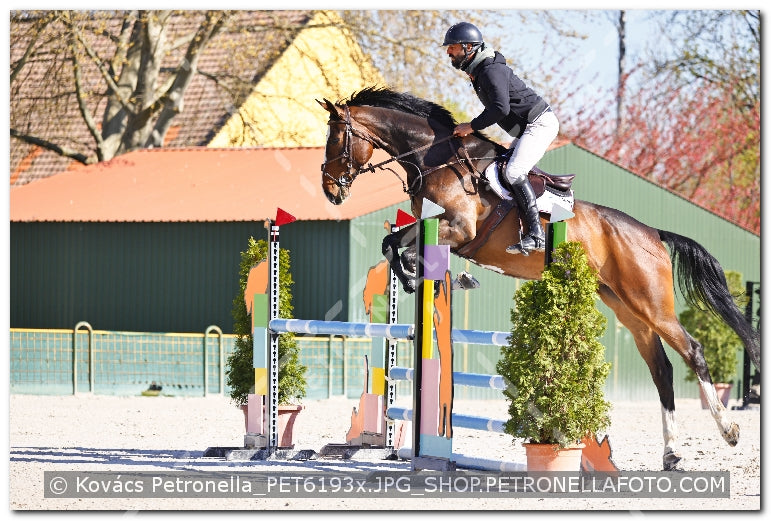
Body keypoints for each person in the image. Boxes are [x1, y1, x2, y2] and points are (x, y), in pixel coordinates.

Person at [442, 22, 559, 255]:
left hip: (540, 124)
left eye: (452, 47)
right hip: (528, 128)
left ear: (468, 47)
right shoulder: (480, 71)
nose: (448, 52)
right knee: (498, 168)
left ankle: (537, 234)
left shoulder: (490, 70)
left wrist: (471, 127)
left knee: (514, 172)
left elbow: (500, 109)